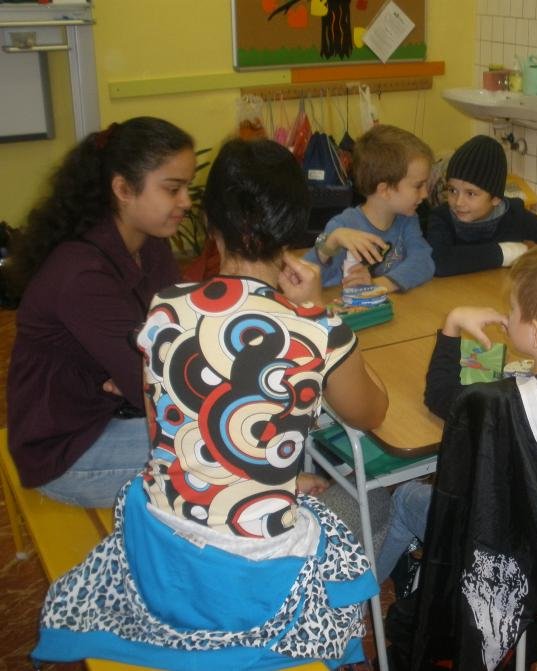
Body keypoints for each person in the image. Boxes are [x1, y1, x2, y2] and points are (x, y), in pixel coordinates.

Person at [32, 139, 390, 669]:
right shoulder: (316, 329)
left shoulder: (164, 309)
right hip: (257, 580)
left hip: (163, 557)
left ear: (210, 222)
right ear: (295, 227)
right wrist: (319, 313)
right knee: (375, 502)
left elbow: (163, 433)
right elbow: (372, 413)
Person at [382, 242, 537, 669]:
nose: (507, 316)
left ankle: (353, 607)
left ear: (536, 334)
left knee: (404, 498)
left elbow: (440, 395)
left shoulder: (495, 404)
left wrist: (451, 324)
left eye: (513, 310)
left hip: (496, 561)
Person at [6, 117, 195, 508]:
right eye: (172, 189)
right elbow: (156, 385)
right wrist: (141, 379)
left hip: (115, 413)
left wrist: (139, 378)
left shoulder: (151, 245)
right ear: (123, 189)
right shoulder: (81, 273)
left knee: (223, 438)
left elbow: (174, 344)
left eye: (187, 187)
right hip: (68, 450)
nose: (186, 202)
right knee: (215, 452)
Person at [425, 134, 537, 276]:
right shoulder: (441, 218)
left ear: (496, 198)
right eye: (453, 190)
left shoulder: (514, 215)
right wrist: (510, 252)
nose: (458, 202)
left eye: (471, 193)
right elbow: (439, 262)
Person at [304, 124, 435, 291]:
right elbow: (304, 273)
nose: (425, 194)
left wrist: (376, 285)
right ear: (385, 190)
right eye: (418, 186)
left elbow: (423, 261)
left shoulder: (407, 220)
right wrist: (331, 241)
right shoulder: (342, 226)